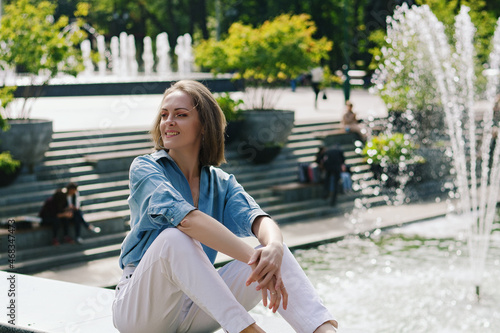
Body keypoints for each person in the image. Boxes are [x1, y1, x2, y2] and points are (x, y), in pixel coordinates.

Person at [112, 80, 338, 333]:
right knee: (173, 238)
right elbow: (188, 220)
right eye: (164, 115)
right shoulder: (146, 168)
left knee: (276, 252)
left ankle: (323, 330)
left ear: (204, 127)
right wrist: (259, 264)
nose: (168, 121)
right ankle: (247, 330)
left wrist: (273, 248)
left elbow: (261, 220)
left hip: (196, 308)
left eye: (181, 115)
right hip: (142, 313)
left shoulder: (219, 182)